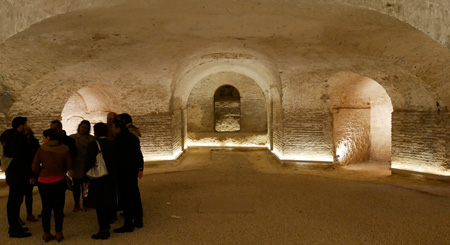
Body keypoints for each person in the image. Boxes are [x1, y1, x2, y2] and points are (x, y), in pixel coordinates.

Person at [32, 128, 72, 242]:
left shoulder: (41, 149)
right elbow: (69, 166)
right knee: (58, 208)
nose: (43, 139)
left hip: (44, 181)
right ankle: (59, 232)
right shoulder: (64, 149)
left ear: (48, 138)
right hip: (59, 180)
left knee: (46, 207)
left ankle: (46, 233)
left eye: (44, 137)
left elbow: (34, 167)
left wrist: (42, 170)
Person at [0, 117, 34, 238]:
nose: (26, 126)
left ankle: (15, 226)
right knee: (14, 201)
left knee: (15, 200)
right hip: (17, 173)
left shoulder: (9, 136)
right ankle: (14, 229)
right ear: (21, 125)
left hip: (13, 173)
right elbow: (21, 157)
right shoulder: (16, 138)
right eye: (25, 124)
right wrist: (30, 174)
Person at [84, 123, 117, 240]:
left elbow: (88, 161)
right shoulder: (112, 143)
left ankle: (103, 229)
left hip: (98, 178)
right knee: (108, 200)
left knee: (99, 204)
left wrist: (85, 176)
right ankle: (109, 221)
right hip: (110, 177)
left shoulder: (94, 144)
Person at [113, 120, 144, 233]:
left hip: (123, 173)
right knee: (135, 195)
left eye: (114, 128)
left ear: (118, 129)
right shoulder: (132, 137)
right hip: (132, 172)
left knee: (126, 198)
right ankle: (138, 220)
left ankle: (128, 224)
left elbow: (116, 158)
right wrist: (140, 168)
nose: (112, 130)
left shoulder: (119, 140)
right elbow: (139, 154)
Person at [69, 120, 95, 212]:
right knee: (76, 186)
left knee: (85, 186)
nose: (83, 129)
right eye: (82, 127)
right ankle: (76, 203)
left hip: (85, 164)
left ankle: (86, 203)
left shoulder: (92, 139)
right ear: (79, 127)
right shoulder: (72, 138)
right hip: (76, 164)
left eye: (85, 128)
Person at [22, 127, 40, 223]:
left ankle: (29, 213)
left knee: (29, 194)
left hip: (30, 170)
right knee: (20, 195)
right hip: (22, 172)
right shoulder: (19, 143)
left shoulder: (34, 142)